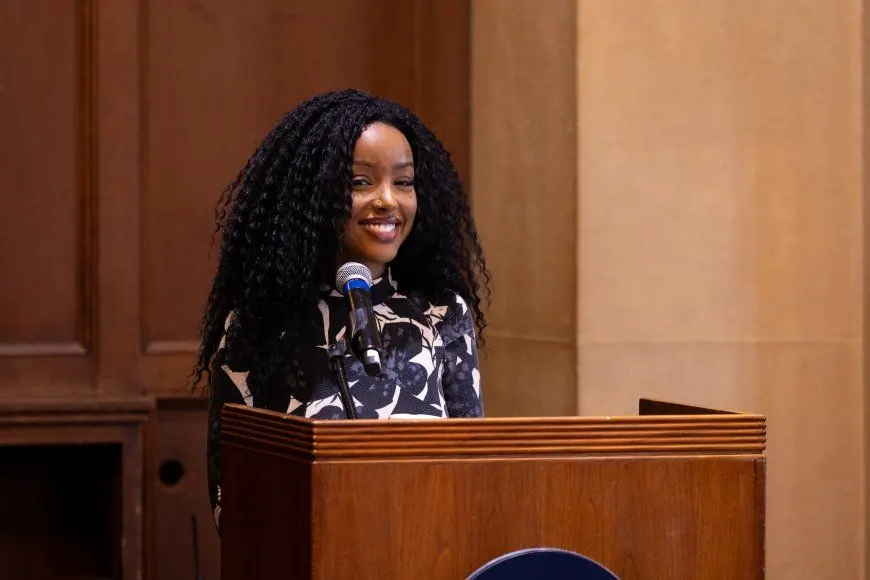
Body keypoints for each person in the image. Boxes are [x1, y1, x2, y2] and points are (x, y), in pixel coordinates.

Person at [190, 89, 491, 531]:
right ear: (313, 196)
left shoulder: (443, 312)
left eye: (403, 182)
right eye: (360, 182)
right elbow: (230, 494)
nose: (387, 200)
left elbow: (474, 468)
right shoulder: (262, 322)